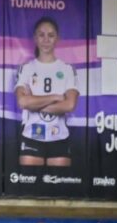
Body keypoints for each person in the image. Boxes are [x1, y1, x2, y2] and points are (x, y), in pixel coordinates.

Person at [14, 17, 78, 167]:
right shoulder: (26, 68)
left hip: (59, 137)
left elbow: (69, 105)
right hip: (31, 136)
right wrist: (55, 97)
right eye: (41, 35)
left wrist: (33, 102)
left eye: (51, 35)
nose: (46, 40)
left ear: (57, 38)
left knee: (59, 182)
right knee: (30, 182)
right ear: (35, 38)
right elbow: (22, 102)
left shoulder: (67, 69)